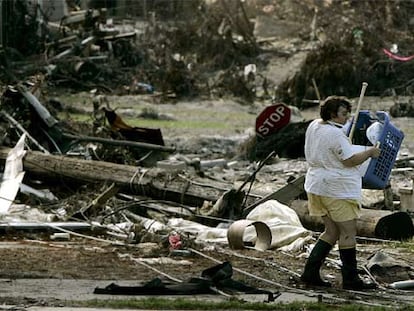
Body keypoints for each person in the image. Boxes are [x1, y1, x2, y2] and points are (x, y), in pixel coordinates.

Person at [300, 95, 381, 290]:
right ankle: (351, 279)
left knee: (332, 231)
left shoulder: (314, 126)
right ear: (332, 114)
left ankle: (310, 273)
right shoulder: (335, 135)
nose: (347, 118)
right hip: (337, 189)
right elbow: (350, 160)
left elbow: (335, 145)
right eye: (344, 114)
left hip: (316, 185)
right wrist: (370, 152)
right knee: (348, 233)